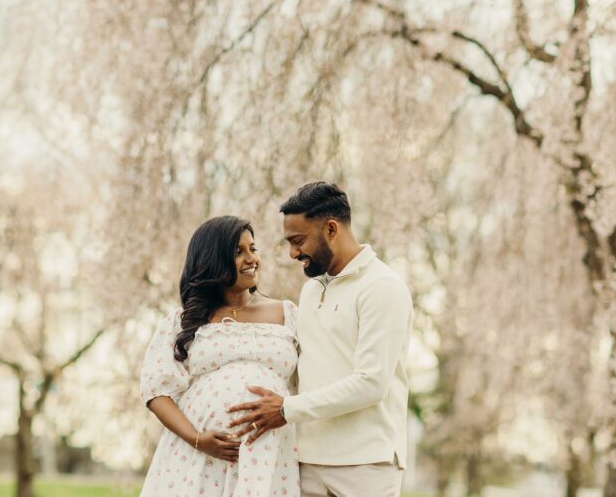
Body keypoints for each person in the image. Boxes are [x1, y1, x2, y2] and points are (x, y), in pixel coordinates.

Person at [227, 182, 414, 497]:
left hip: (366, 464)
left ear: (331, 229)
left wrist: (287, 409)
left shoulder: (382, 288)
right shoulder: (311, 289)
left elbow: (371, 383)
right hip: (308, 460)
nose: (293, 253)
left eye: (299, 241)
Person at [138, 215, 301, 497]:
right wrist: (198, 439)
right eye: (238, 252)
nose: (251, 258)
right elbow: (156, 390)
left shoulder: (287, 313)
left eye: (253, 248)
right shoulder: (183, 321)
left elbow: (313, 380)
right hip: (198, 458)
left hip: (269, 454)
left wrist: (287, 411)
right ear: (213, 260)